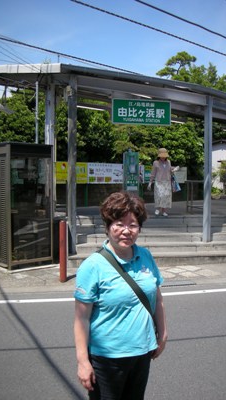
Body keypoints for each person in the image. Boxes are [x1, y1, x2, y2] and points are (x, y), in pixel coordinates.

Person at [74, 191, 167, 400]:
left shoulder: (146, 256)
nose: (126, 231)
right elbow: (81, 318)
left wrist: (163, 333)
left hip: (143, 352)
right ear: (107, 227)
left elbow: (157, 298)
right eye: (118, 223)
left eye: (132, 224)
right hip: (107, 358)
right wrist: (83, 361)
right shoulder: (92, 266)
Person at [147, 147, 179, 217]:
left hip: (167, 181)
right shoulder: (155, 163)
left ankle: (164, 211)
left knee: (166, 196)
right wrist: (150, 183)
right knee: (159, 195)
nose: (163, 157)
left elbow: (170, 170)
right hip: (159, 182)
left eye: (164, 156)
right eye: (162, 156)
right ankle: (158, 208)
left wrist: (174, 169)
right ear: (159, 156)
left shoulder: (168, 162)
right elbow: (153, 173)